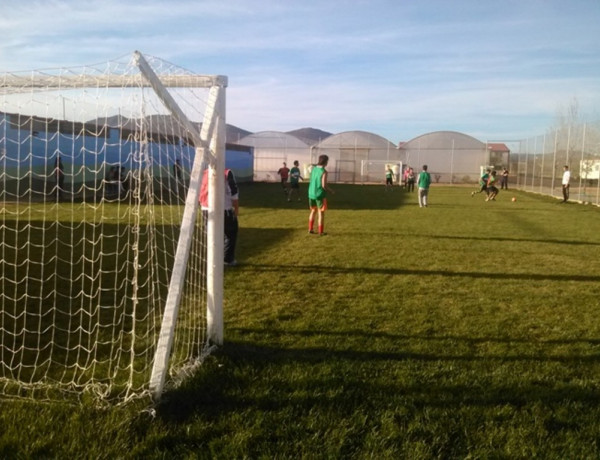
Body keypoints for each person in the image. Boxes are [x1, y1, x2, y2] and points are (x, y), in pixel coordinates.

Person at [200, 167, 240, 266]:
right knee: (230, 233)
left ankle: (213, 260)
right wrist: (236, 207)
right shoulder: (227, 172)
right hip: (224, 210)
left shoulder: (204, 173)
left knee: (211, 236)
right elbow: (233, 191)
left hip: (206, 210)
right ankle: (227, 259)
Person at [308, 155, 334, 235]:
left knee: (313, 211)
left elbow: (311, 167)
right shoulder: (324, 172)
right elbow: (324, 185)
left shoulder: (313, 169)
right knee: (320, 213)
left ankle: (310, 229)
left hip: (311, 193)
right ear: (325, 162)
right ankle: (320, 231)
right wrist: (331, 191)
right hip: (319, 194)